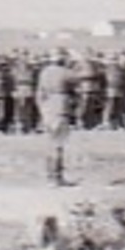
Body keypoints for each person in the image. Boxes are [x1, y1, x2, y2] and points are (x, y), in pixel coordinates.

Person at [35, 49, 75, 186]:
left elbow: (39, 94)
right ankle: (57, 177)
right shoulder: (65, 72)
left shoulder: (44, 72)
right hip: (61, 108)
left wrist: (43, 110)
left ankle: (50, 176)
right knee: (58, 144)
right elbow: (79, 78)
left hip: (47, 108)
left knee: (50, 144)